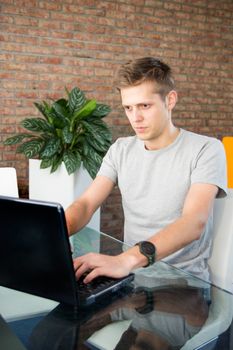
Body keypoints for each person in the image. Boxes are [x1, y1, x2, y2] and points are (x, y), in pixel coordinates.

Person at [65, 57, 227, 284]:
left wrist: (126, 260)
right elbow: (86, 204)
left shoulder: (207, 149)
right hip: (130, 278)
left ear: (170, 100)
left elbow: (194, 223)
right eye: (128, 108)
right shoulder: (121, 148)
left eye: (144, 106)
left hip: (183, 284)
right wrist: (50, 235)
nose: (135, 117)